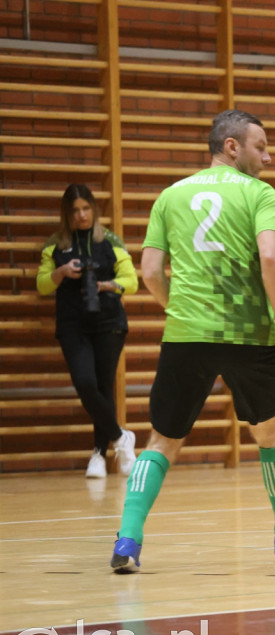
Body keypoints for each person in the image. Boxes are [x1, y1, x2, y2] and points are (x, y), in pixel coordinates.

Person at [110, 109, 275, 573]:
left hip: (186, 335)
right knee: (269, 432)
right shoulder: (259, 193)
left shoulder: (170, 195)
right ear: (232, 147)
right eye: (261, 147)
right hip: (248, 335)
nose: (269, 157)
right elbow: (270, 258)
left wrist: (179, 311)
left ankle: (127, 541)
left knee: (162, 441)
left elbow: (151, 272)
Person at [36, 183, 138, 479]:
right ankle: (121, 438)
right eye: (75, 210)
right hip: (72, 325)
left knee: (104, 386)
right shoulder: (55, 245)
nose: (81, 215)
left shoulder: (110, 240)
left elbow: (130, 281)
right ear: (66, 214)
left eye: (86, 208)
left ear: (93, 209)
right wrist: (62, 272)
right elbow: (43, 284)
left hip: (109, 323)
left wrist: (108, 285)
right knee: (85, 383)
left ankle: (98, 453)